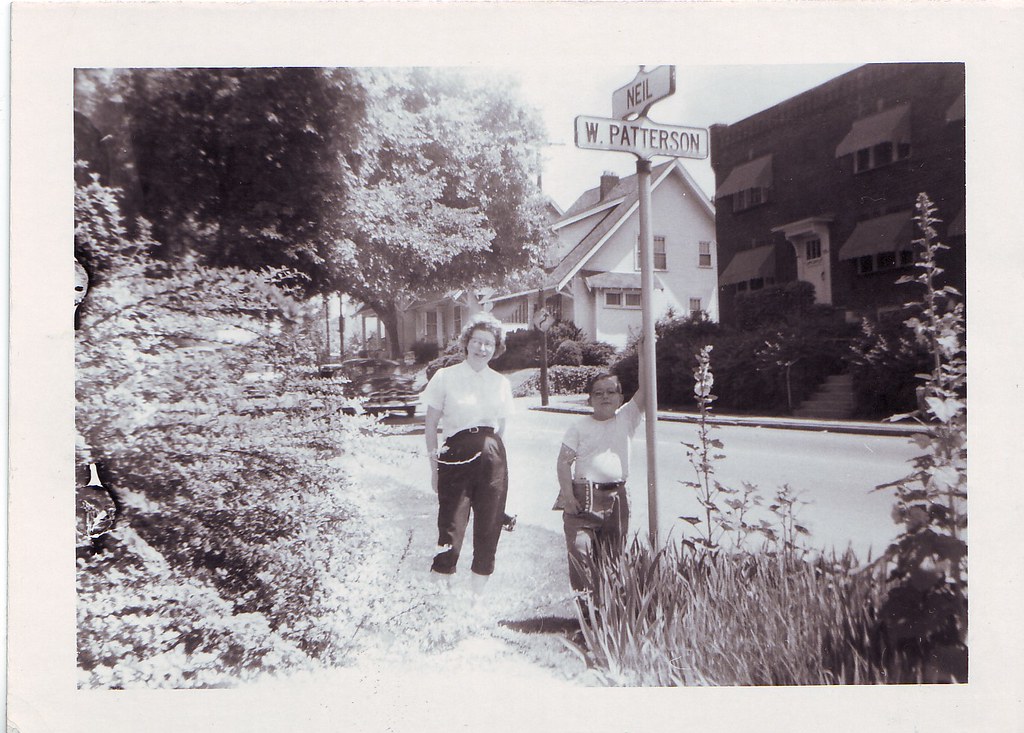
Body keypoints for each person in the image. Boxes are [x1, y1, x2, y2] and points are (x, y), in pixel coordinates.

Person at [422, 314, 514, 598]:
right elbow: (430, 425)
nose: (482, 348)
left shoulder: (501, 382)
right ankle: (442, 599)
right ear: (466, 343)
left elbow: (503, 428)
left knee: (489, 526)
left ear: (496, 348)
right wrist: (434, 468)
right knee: (451, 526)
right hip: (455, 455)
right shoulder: (445, 376)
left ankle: (476, 602)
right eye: (477, 341)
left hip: (492, 456)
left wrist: (496, 461)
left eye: (489, 344)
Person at [555, 367, 645, 599]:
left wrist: (642, 354)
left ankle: (606, 610)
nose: (605, 396)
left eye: (611, 392)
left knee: (612, 558)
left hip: (617, 498)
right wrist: (568, 497)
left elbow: (646, 390)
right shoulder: (579, 427)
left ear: (621, 398)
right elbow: (564, 463)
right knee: (580, 552)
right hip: (584, 497)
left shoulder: (627, 418)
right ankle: (586, 611)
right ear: (590, 400)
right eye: (598, 393)